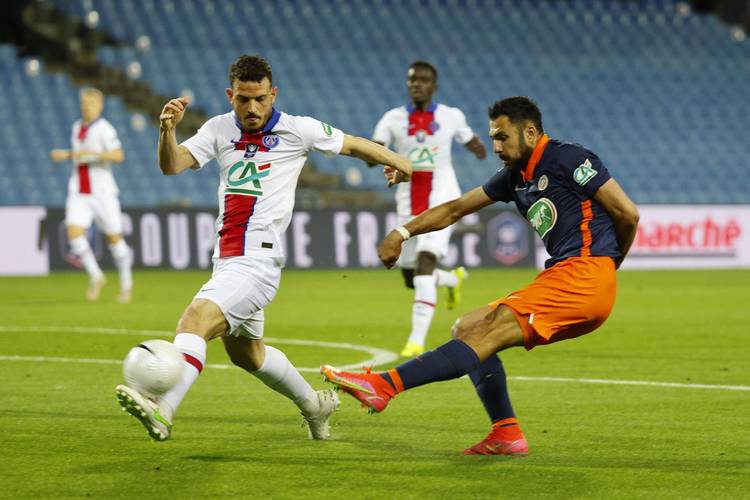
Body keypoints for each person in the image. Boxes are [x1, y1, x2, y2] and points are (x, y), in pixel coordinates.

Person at [115, 54, 412, 442]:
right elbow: (172, 165)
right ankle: (314, 404)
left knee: (195, 320)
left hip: (257, 260)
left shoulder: (297, 129)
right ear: (230, 96)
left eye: (260, 99)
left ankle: (163, 408)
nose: (252, 108)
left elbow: (353, 144)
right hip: (227, 260)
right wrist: (166, 131)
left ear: (273, 94)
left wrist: (399, 161)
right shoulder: (218, 128)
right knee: (248, 356)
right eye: (243, 99)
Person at [321, 96, 639, 455]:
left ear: (530, 131)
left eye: (503, 137)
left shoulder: (568, 158)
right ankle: (506, 433)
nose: (496, 147)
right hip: (569, 275)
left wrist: (607, 264)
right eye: (492, 139)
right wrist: (402, 232)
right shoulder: (515, 177)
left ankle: (384, 385)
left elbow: (627, 214)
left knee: (488, 331)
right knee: (467, 327)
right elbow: (455, 209)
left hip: (585, 274)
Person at [371, 61, 487, 358]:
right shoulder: (393, 119)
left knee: (425, 264)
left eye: (423, 80)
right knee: (411, 278)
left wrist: (479, 147)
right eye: (412, 79)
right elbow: (373, 152)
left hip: (443, 201)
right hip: (408, 204)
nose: (416, 84)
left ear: (434, 86)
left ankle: (416, 341)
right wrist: (377, 156)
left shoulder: (451, 116)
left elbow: (473, 143)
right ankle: (450, 279)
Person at [50, 87, 133, 303]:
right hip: (79, 190)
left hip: (102, 191)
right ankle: (96, 276)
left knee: (114, 238)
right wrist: (68, 155)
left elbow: (118, 155)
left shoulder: (105, 129)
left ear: (100, 106)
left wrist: (92, 154)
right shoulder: (77, 127)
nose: (86, 106)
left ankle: (126, 285)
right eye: (83, 103)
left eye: (90, 103)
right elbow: (78, 155)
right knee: (74, 232)